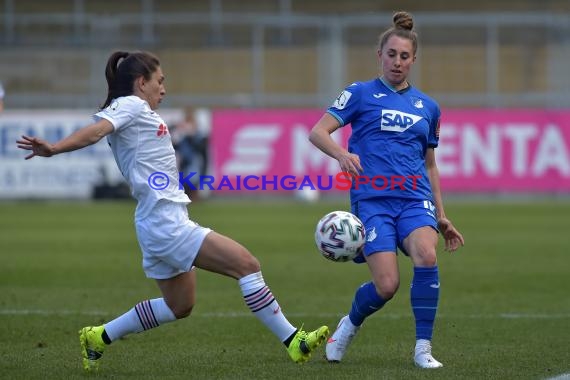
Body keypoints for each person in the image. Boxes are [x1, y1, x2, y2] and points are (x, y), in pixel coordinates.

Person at [17, 51, 329, 372]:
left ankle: (99, 336)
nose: (164, 89)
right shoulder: (132, 105)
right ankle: (294, 340)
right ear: (142, 83)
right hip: (165, 223)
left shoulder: (136, 111)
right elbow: (96, 131)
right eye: (160, 81)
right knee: (247, 265)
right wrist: (54, 149)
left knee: (180, 305)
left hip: (156, 221)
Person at [308, 11, 464, 369]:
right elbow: (318, 132)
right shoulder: (360, 94)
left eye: (404, 56)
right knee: (387, 285)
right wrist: (341, 153)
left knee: (427, 255)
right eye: (391, 54)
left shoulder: (429, 107)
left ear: (414, 59)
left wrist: (441, 215)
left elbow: (430, 165)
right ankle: (349, 324)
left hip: (414, 198)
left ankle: (423, 348)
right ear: (379, 55)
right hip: (372, 200)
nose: (397, 62)